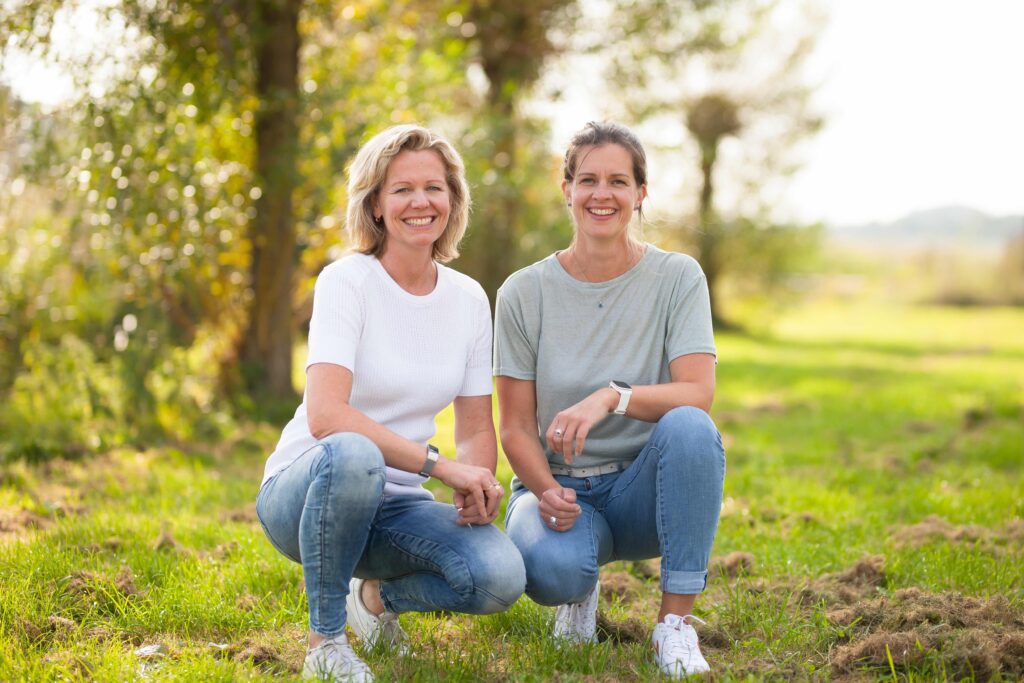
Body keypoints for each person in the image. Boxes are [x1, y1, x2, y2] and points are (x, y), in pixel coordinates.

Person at [257, 124, 525, 683]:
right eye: (402, 189)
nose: (420, 202)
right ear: (376, 205)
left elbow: (476, 423)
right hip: (306, 493)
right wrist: (437, 465)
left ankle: (374, 600)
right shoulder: (346, 282)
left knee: (500, 576)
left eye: (435, 187)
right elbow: (326, 416)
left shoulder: (469, 298)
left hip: (395, 506)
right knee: (355, 452)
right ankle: (325, 644)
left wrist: (476, 479)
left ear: (453, 201)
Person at [493, 121, 725, 678]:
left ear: (640, 193)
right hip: (558, 489)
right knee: (554, 572)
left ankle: (674, 628)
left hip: (643, 490)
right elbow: (516, 428)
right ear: (567, 189)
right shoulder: (524, 292)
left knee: (691, 427)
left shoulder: (677, 278)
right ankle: (579, 592)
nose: (603, 194)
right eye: (588, 180)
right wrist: (547, 491)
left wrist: (613, 398)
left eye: (619, 181)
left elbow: (698, 391)